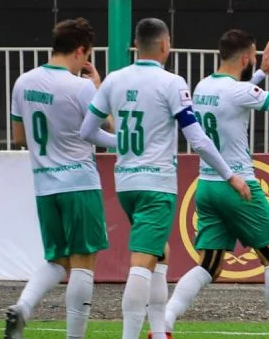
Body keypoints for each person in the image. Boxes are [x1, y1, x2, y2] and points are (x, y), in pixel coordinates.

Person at [79, 18, 250, 339]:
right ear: (164, 45)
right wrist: (230, 175)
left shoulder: (114, 80)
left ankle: (159, 333)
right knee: (142, 261)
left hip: (126, 183)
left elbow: (87, 131)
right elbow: (197, 139)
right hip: (156, 184)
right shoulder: (172, 82)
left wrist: (125, 144)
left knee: (161, 254)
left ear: (136, 44)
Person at [161, 31, 269, 339]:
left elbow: (233, 101)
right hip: (238, 185)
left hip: (206, 186)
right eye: (253, 55)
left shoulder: (202, 86)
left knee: (209, 265)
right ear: (245, 57)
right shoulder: (238, 91)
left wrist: (261, 73)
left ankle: (166, 320)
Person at [5, 17, 114, 339]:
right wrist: (97, 87)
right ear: (80, 51)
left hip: (44, 184)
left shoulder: (23, 82)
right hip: (79, 182)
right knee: (83, 262)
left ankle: (23, 307)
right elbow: (108, 126)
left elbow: (18, 137)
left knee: (58, 258)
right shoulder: (79, 86)